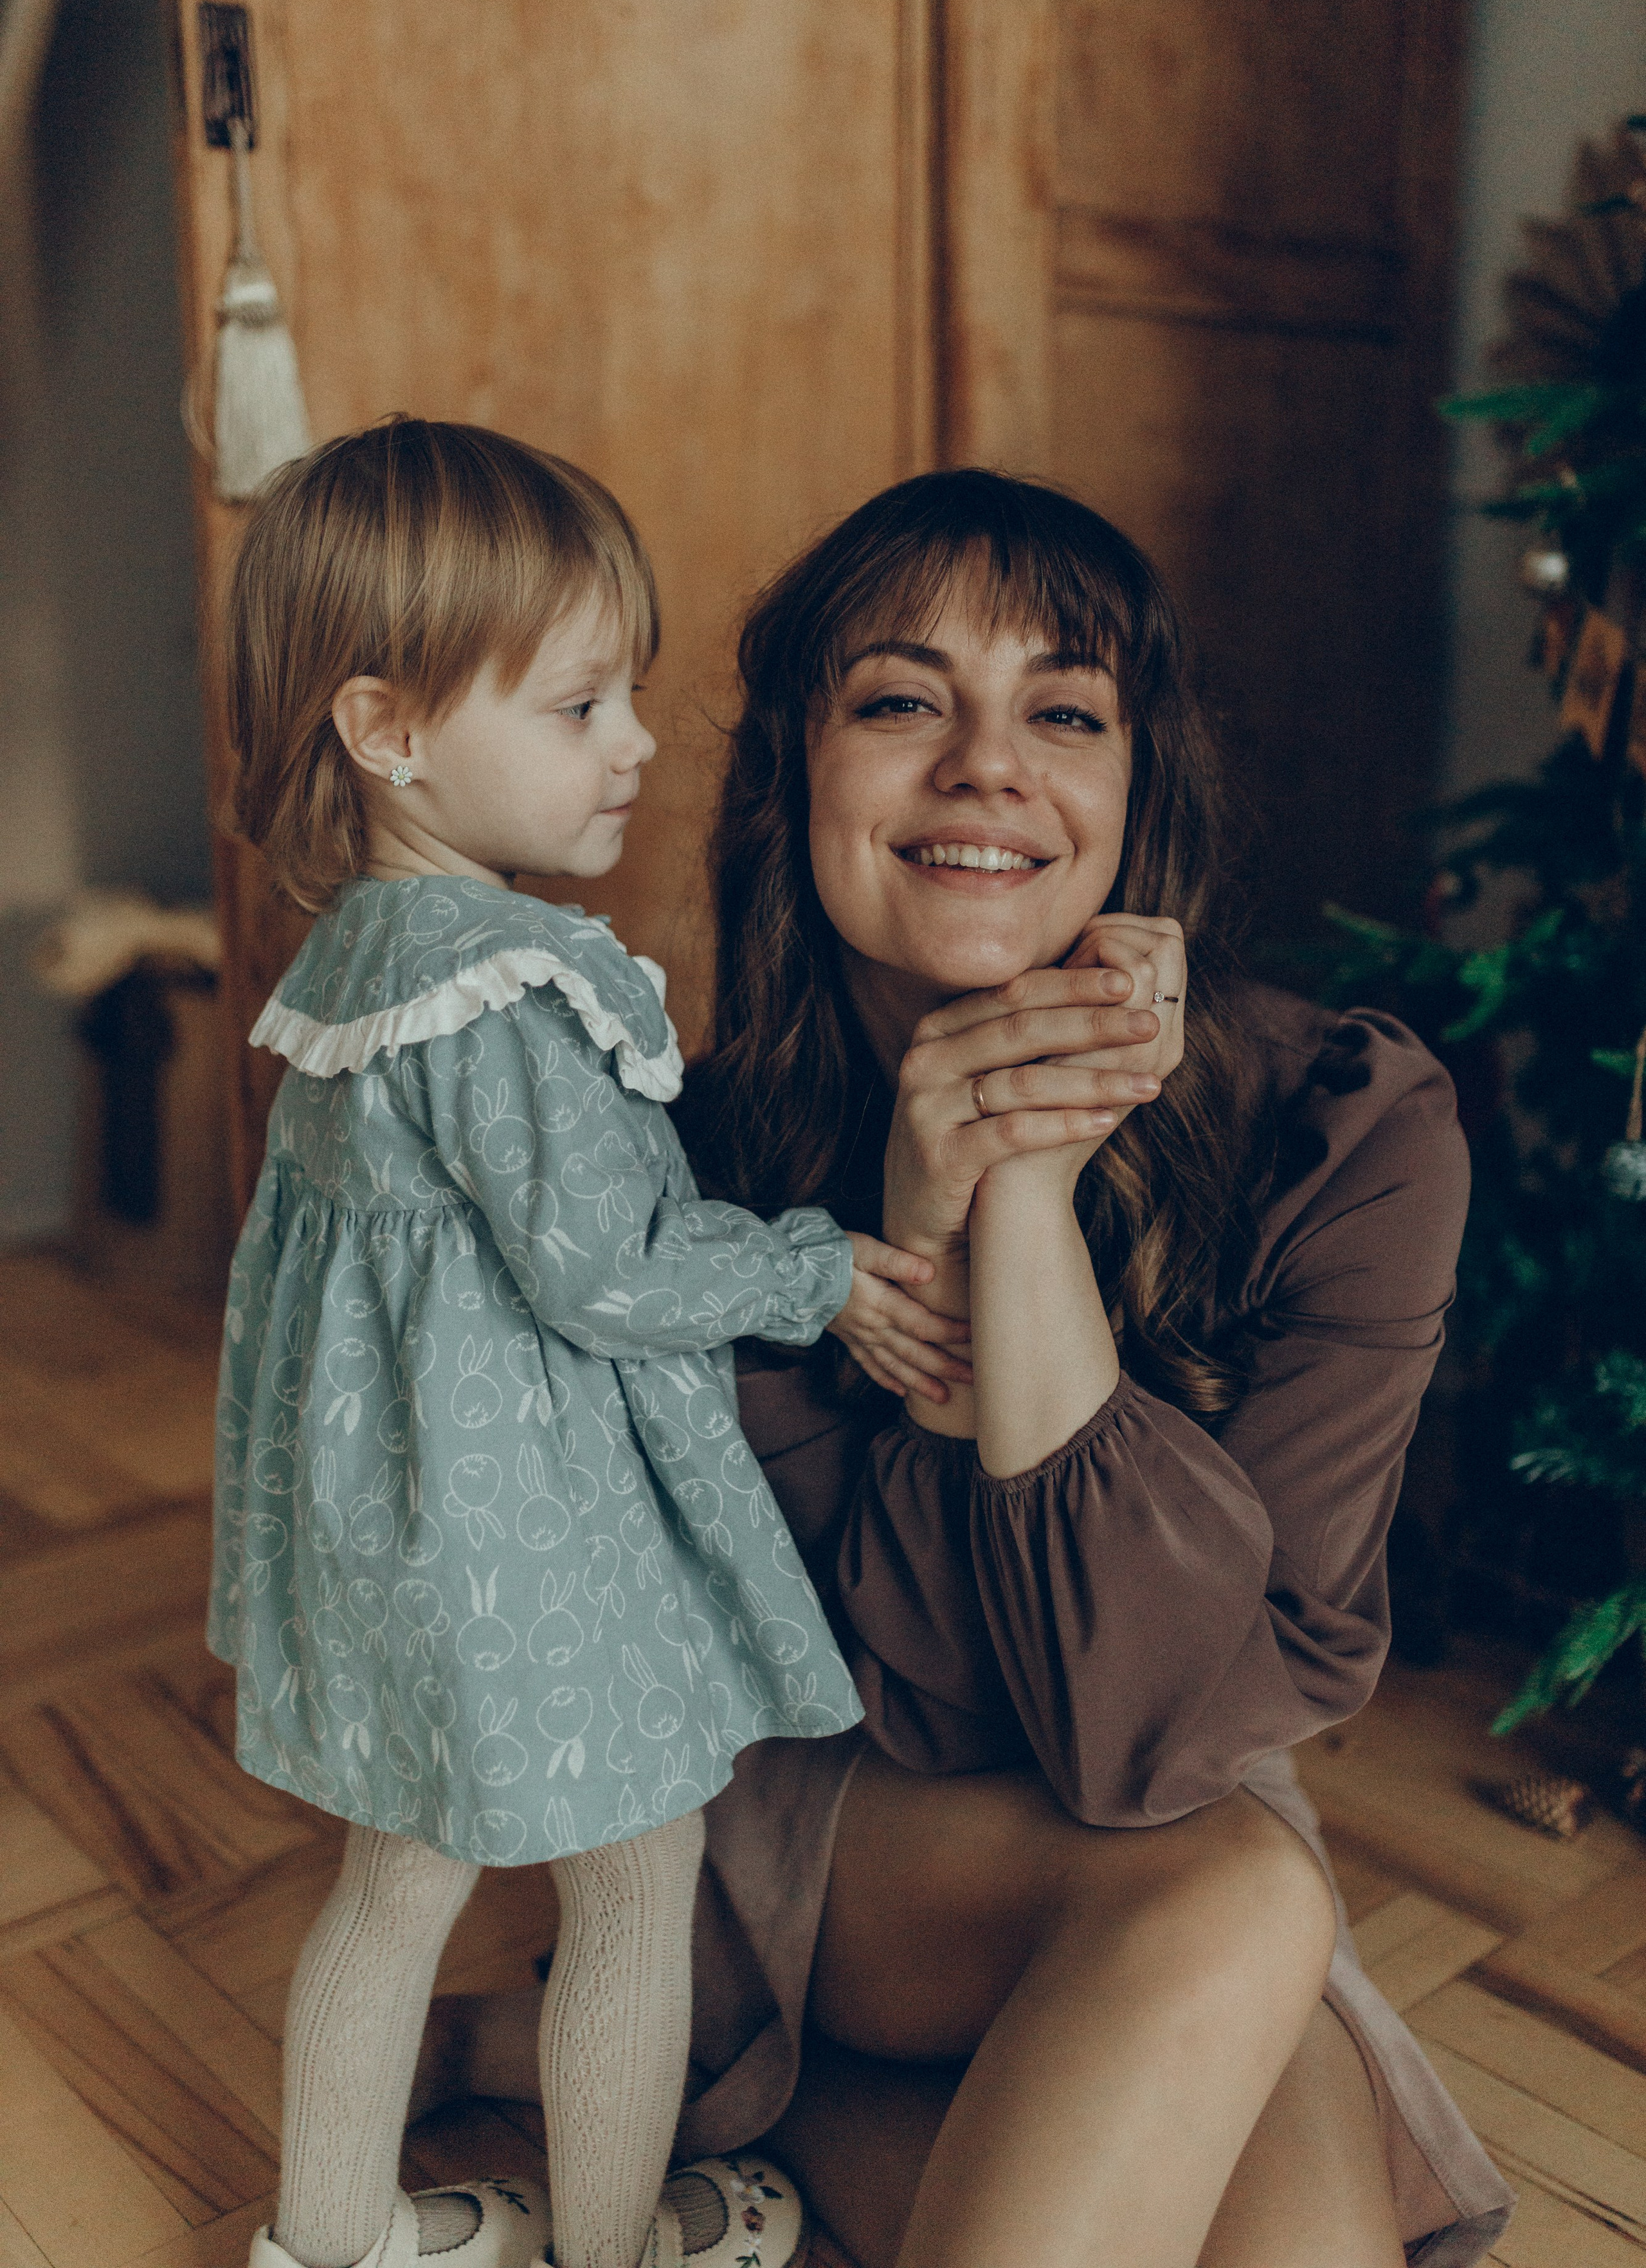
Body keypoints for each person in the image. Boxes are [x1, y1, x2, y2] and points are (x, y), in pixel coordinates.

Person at [424, 469, 1514, 2267]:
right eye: (903, 701)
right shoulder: (670, 1186)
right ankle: (674, 2048)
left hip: (1169, 1807)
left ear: (1139, 790)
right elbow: (910, 1708)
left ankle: (679, 2099)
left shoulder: (1352, 1132)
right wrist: (935, 1239)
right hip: (810, 1813)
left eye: (1064, 713)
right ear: (796, 776)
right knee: (1244, 1896)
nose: (989, 767)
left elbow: (1167, 1734)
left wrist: (1026, 1197)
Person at [208, 422, 973, 2268]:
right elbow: (606, 1270)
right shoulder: (500, 989)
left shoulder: (357, 964)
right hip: (528, 1552)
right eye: (577, 707)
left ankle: (330, 2240)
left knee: (395, 1882)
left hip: (394, 1533)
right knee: (637, 1884)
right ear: (387, 729)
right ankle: (614, 2242)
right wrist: (813, 1273)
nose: (634, 743)